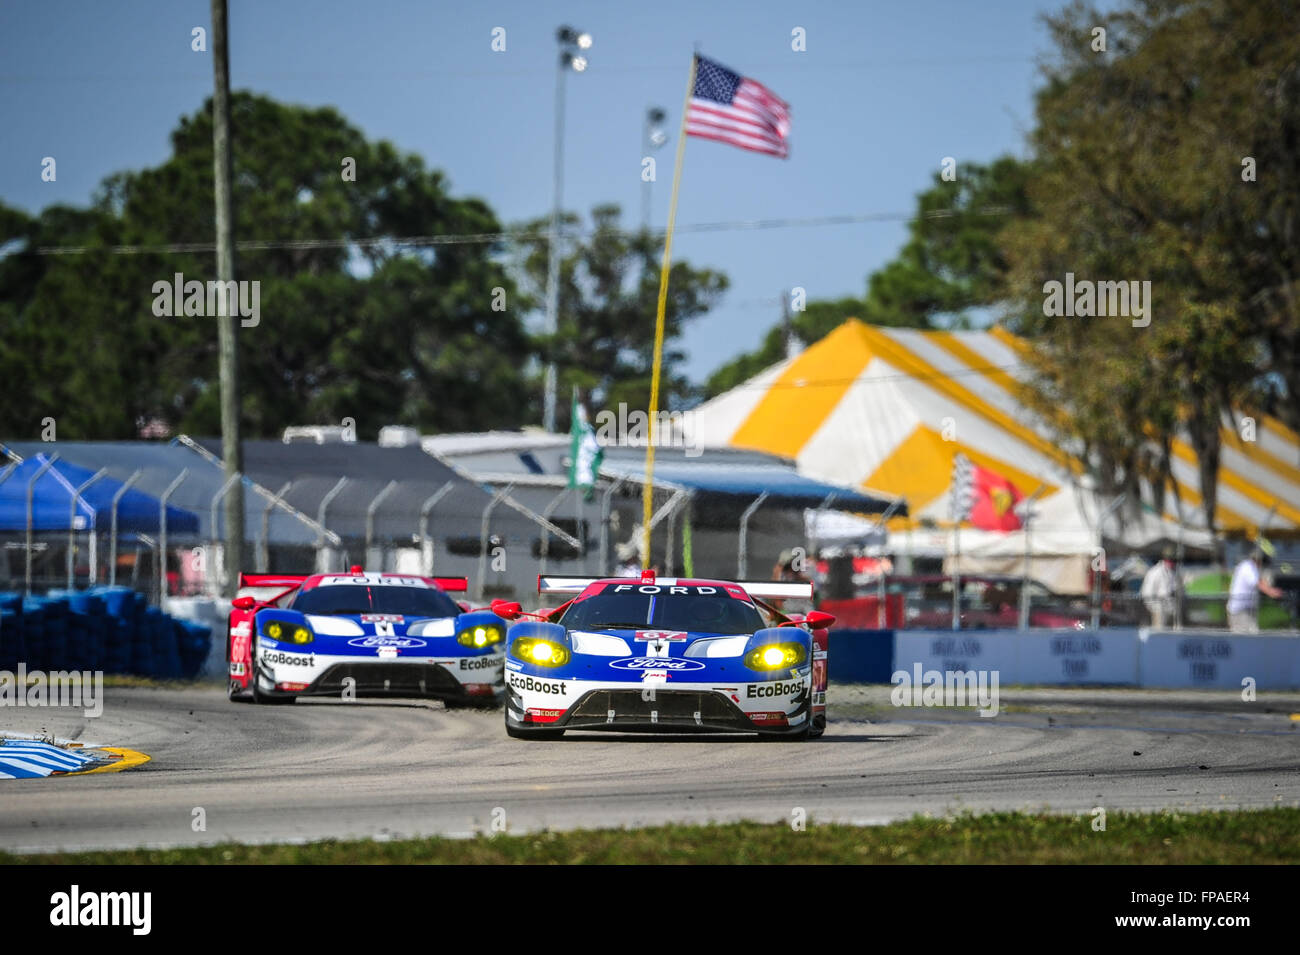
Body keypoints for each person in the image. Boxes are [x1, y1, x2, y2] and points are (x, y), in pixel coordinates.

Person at [1226, 548, 1282, 633]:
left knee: (1252, 634)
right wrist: (1271, 592)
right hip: (1240, 610)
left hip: (1247, 610)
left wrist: (1271, 589)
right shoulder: (1247, 567)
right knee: (1246, 637)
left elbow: (1261, 581)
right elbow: (1257, 583)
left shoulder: (1252, 568)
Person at [1140, 547, 1180, 629]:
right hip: (1159, 611)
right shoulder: (1155, 572)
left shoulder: (1175, 572)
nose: (1172, 562)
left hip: (1173, 611)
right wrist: (1156, 609)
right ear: (1164, 559)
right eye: (1170, 559)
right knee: (1160, 634)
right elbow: (1147, 594)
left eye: (1174, 560)